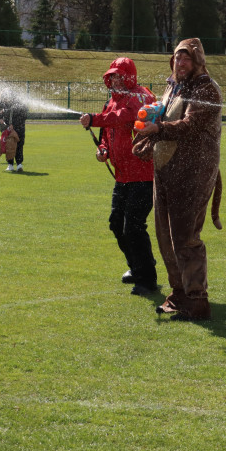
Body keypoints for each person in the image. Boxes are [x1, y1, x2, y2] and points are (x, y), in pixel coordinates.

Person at [133, 39, 223, 320]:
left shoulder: (207, 88)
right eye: (176, 58)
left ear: (197, 62)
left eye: (186, 59)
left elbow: (189, 125)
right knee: (165, 236)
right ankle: (179, 293)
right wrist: (149, 139)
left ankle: (197, 301)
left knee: (185, 238)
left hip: (194, 172)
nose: (180, 63)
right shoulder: (173, 85)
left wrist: (156, 130)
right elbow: (166, 115)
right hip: (166, 170)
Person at [80, 57, 158, 295]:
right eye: (111, 75)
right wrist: (102, 149)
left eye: (118, 75)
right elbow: (106, 132)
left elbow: (124, 117)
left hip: (144, 175)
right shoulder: (111, 102)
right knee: (117, 224)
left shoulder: (141, 97)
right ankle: (136, 267)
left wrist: (93, 119)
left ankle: (147, 278)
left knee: (133, 226)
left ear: (129, 76)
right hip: (122, 177)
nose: (114, 79)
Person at [3, 92, 28, 172]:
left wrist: (9, 124)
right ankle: (19, 164)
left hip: (12, 130)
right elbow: (25, 117)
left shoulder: (11, 106)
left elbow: (8, 116)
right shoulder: (23, 106)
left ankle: (10, 165)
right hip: (21, 129)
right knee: (19, 147)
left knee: (10, 146)